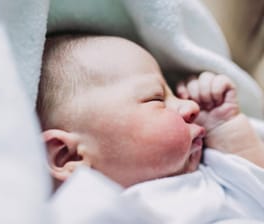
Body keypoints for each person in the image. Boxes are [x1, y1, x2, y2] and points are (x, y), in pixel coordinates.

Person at [36, 34, 264, 221]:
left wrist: (223, 123)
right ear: (68, 155)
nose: (191, 105)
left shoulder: (210, 178)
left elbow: (255, 186)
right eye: (156, 99)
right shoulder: (78, 209)